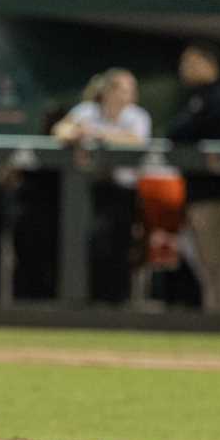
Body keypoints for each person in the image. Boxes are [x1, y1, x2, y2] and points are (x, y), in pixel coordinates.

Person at [52, 67, 152, 303]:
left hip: (125, 191)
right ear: (108, 91)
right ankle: (90, 302)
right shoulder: (87, 110)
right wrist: (75, 133)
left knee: (121, 247)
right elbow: (60, 131)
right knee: (92, 243)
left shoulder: (137, 115)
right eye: (124, 89)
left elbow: (137, 141)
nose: (129, 95)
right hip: (90, 189)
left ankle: (119, 303)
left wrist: (97, 133)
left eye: (131, 90)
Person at [166, 42, 220, 312]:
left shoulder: (217, 99)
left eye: (191, 62)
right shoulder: (198, 97)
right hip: (200, 192)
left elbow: (177, 132)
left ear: (209, 65)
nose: (185, 68)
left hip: (217, 193)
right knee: (208, 262)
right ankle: (215, 315)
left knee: (219, 262)